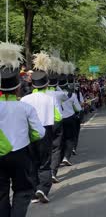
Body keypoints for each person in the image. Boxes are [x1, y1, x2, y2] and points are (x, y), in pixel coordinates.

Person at [0, 42, 46, 217]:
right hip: (21, 154)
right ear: (18, 87)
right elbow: (39, 133)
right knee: (24, 190)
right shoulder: (25, 107)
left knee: (1, 193)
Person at [20, 52, 59, 204]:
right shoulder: (51, 98)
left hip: (29, 133)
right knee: (45, 162)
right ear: (46, 84)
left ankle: (33, 191)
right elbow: (58, 118)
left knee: (32, 162)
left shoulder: (24, 99)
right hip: (46, 131)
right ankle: (43, 188)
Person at [59, 67, 82, 167]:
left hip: (57, 119)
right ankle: (66, 157)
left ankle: (58, 158)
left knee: (59, 139)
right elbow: (78, 109)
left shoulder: (52, 94)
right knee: (70, 138)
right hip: (69, 118)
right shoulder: (72, 94)